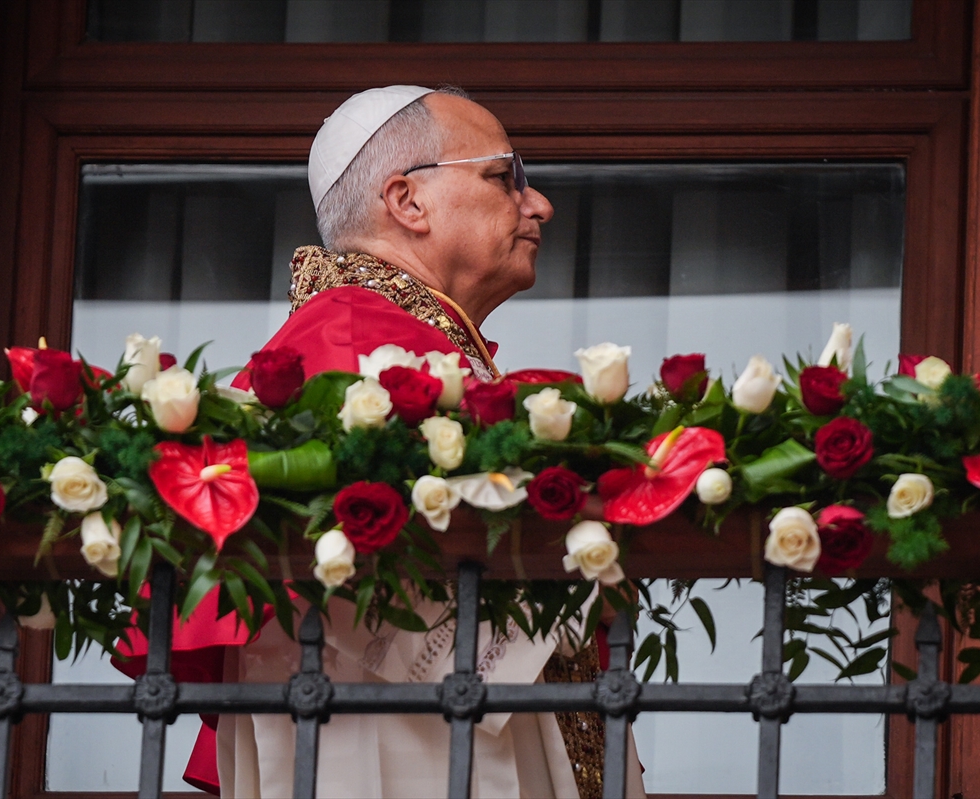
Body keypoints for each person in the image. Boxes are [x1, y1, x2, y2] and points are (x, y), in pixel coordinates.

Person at [122, 85, 646, 799]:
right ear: (407, 201)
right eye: (505, 177)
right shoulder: (347, 337)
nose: (539, 204)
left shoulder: (408, 337)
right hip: (391, 734)